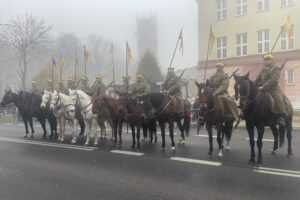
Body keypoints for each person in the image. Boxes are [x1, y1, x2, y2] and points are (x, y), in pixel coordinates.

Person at [255, 54, 289, 125]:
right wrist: (253, 84)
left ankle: (281, 117)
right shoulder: (263, 70)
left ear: (272, 60)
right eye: (266, 60)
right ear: (264, 61)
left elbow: (273, 79)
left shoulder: (276, 69)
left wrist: (263, 86)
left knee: (279, 99)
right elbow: (258, 79)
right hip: (263, 88)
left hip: (273, 88)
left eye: (269, 59)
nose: (268, 61)